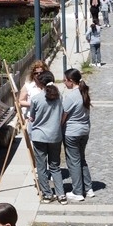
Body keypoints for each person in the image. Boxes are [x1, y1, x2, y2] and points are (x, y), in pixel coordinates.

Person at [28, 71, 66, 203]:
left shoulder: (36, 98)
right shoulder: (59, 97)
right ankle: (61, 194)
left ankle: (47, 194)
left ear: (40, 83)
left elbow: (32, 117)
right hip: (55, 135)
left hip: (39, 135)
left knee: (41, 166)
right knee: (55, 166)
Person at [61, 68, 93, 200]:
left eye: (65, 80)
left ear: (71, 81)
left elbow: (63, 115)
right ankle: (88, 188)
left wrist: (59, 126)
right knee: (81, 159)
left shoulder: (71, 96)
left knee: (73, 161)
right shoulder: (83, 92)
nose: (63, 83)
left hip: (72, 132)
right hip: (84, 130)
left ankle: (78, 192)